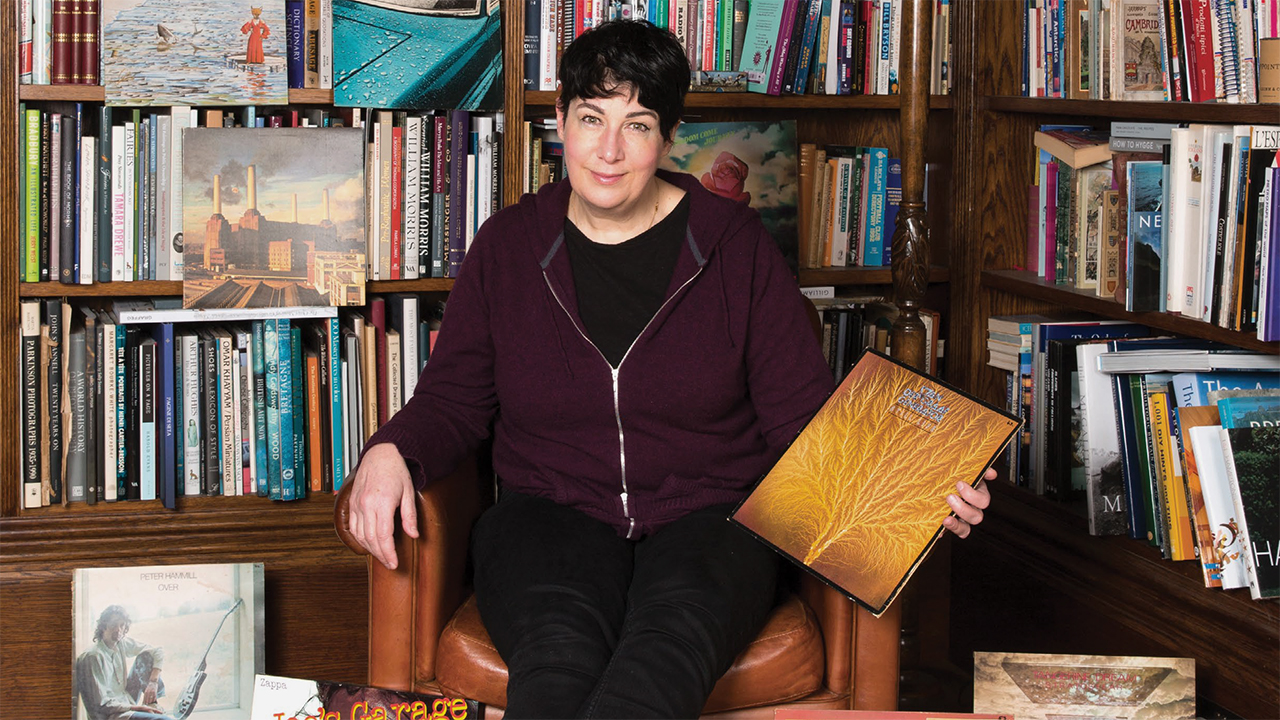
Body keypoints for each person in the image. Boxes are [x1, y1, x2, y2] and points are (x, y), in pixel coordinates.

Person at [347, 19, 992, 719]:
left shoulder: (737, 249)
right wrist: (391, 450)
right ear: (560, 120)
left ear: (669, 135)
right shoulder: (507, 246)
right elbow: (453, 400)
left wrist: (923, 482)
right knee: (557, 660)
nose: (610, 150)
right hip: (547, 512)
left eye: (639, 124)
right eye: (592, 118)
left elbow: (802, 422)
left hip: (714, 520)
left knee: (664, 660)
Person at [77, 605, 175, 720]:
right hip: (112, 715)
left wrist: (153, 682)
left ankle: (151, 703)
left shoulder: (120, 643)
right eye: (114, 625)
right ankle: (149, 710)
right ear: (103, 626)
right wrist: (137, 708)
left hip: (125, 700)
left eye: (122, 625)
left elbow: (157, 651)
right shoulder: (93, 657)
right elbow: (102, 705)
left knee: (146, 656)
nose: (118, 629)